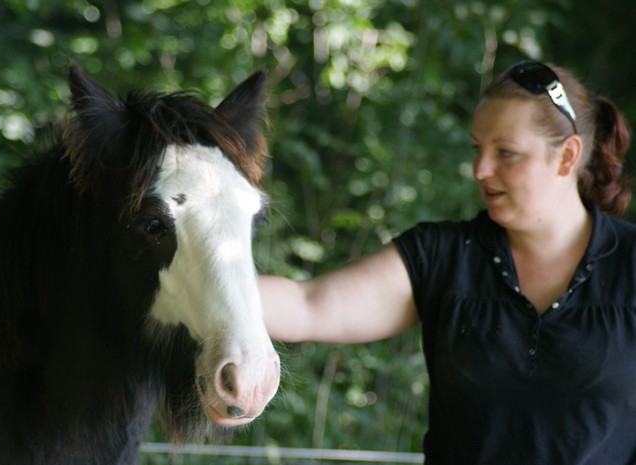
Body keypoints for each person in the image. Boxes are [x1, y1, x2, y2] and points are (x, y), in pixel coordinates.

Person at [259, 60, 634, 464]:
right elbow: (306, 305)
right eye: (477, 149)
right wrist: (188, 278)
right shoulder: (442, 256)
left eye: (506, 152)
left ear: (567, 157)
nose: (480, 170)